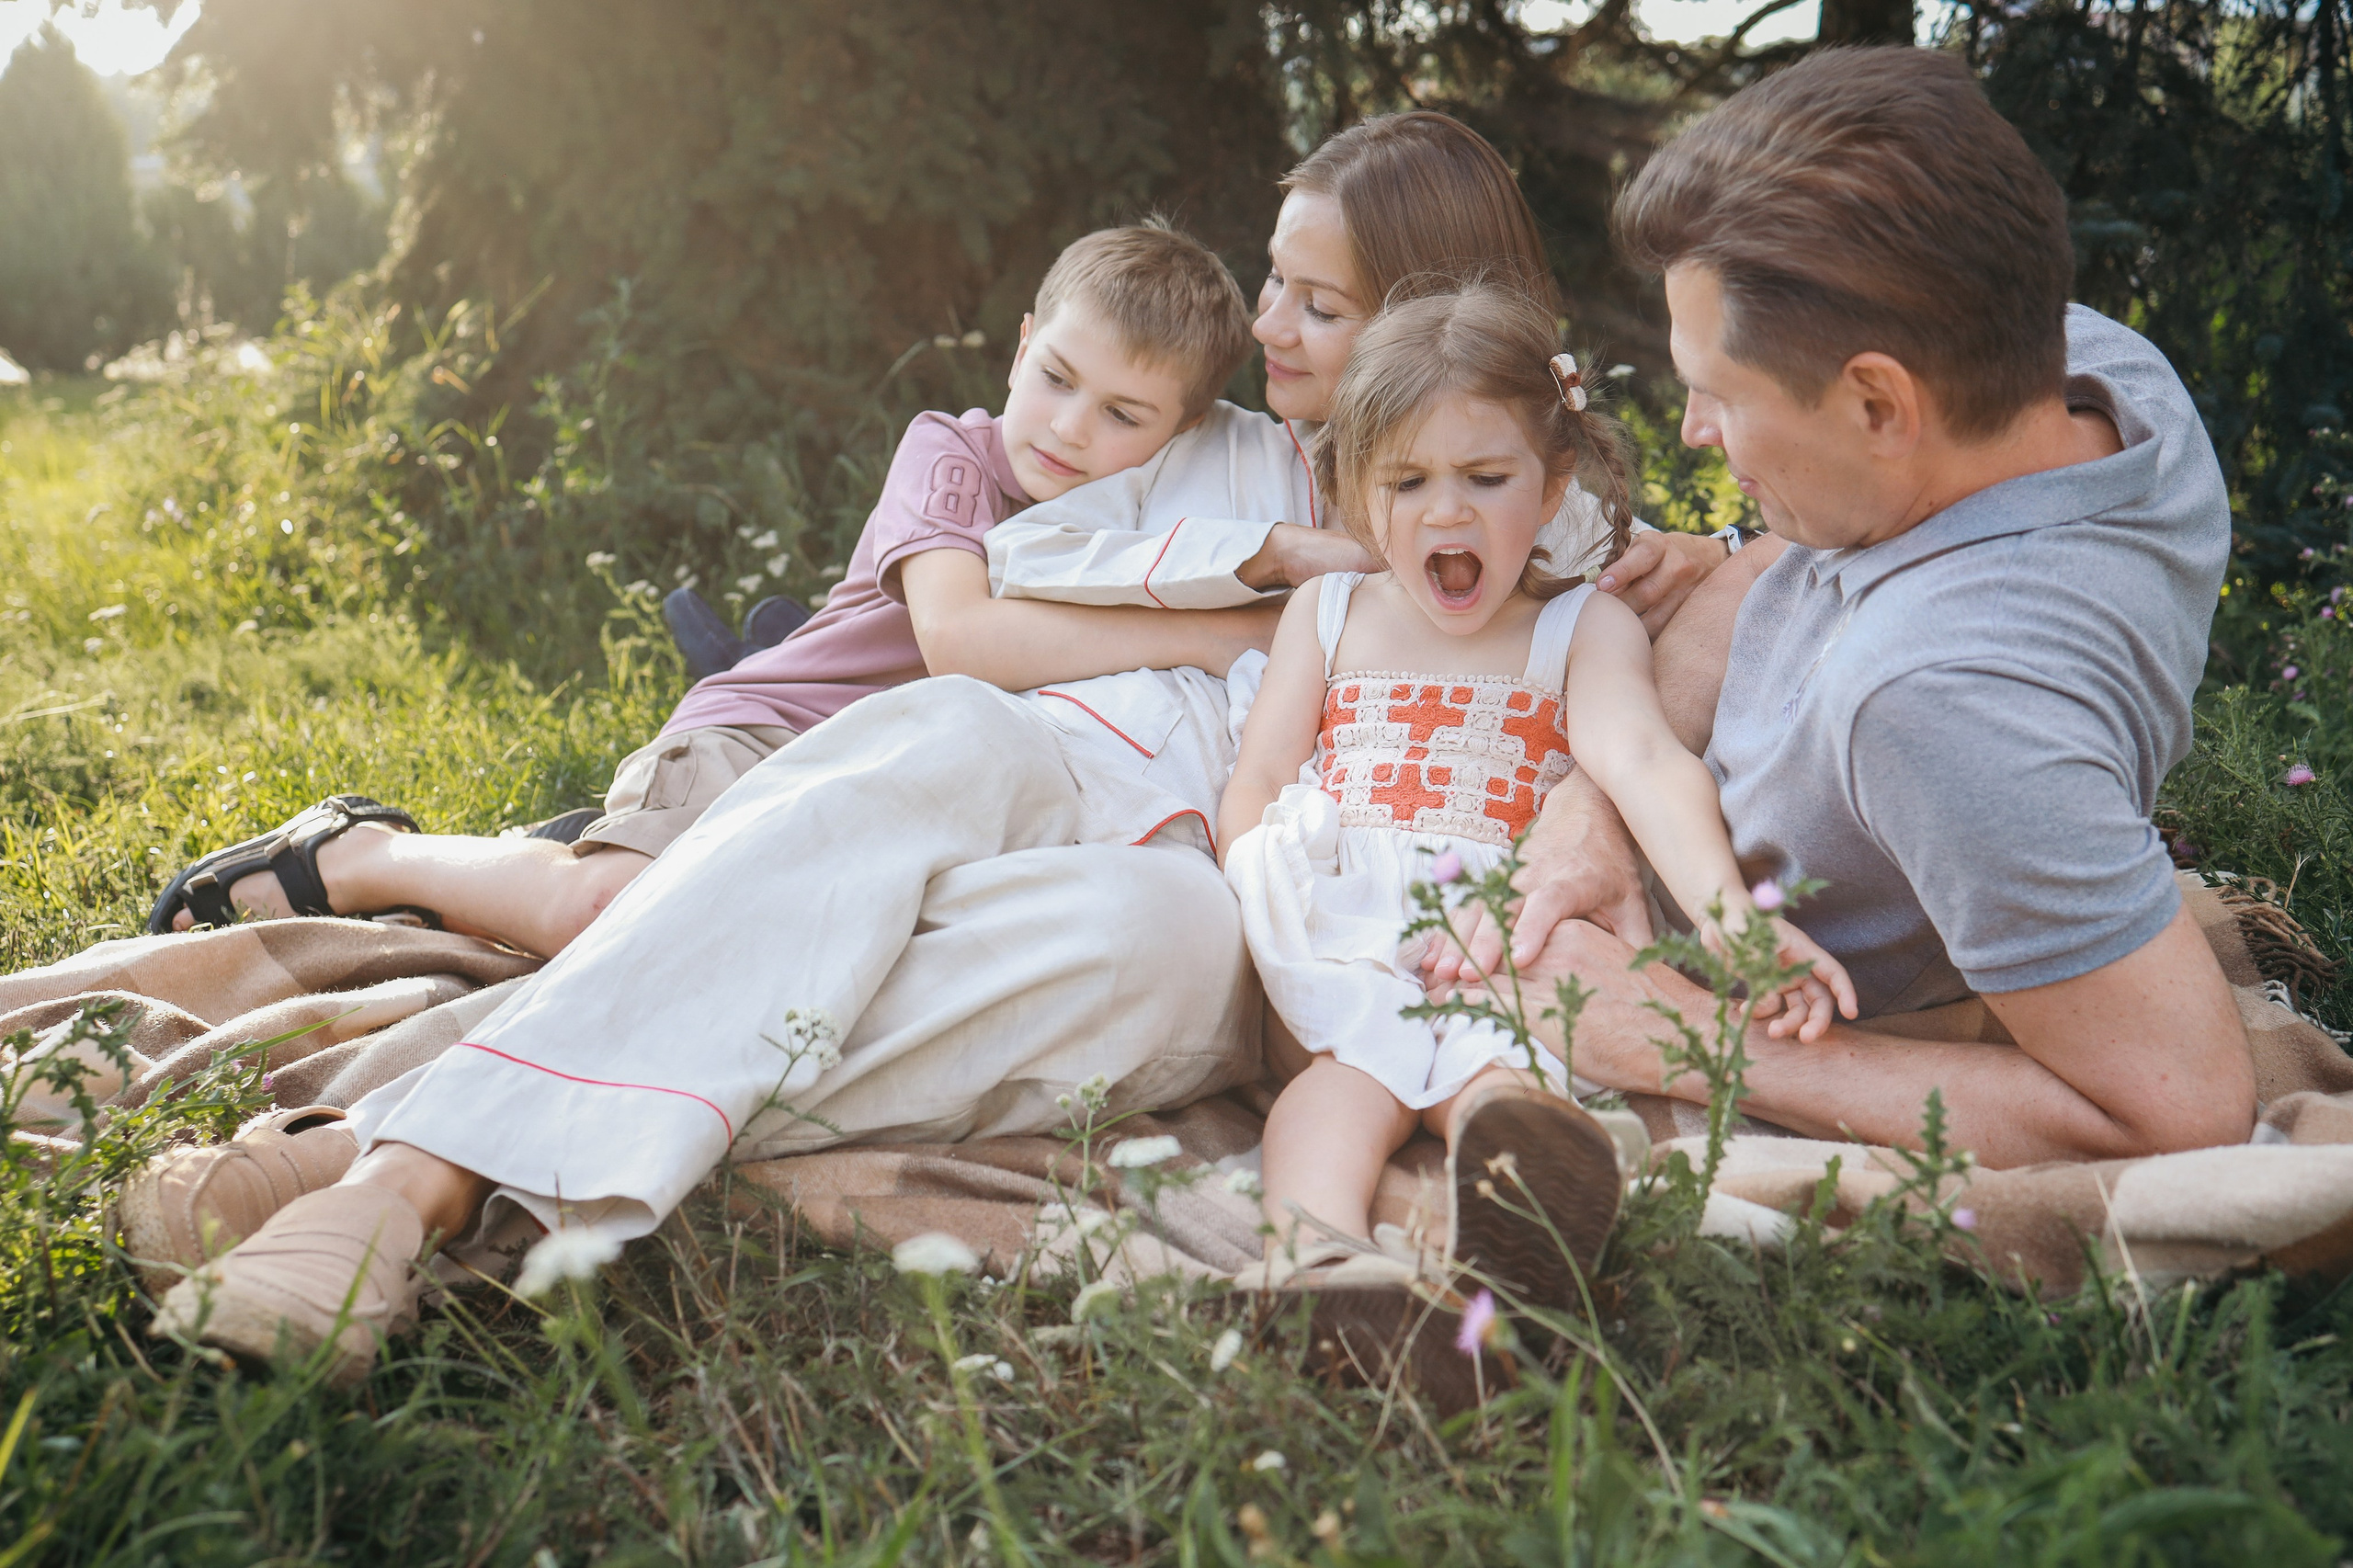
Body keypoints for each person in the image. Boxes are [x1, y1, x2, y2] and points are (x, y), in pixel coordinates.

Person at [148, 112, 1730, 1385]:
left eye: (1320, 306)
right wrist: (1252, 575)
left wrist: (1666, 580)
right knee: (940, 738)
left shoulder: (1530, 518)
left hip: (1207, 890)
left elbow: (1719, 591)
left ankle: (387, 1135)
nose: (1270, 328)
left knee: (1149, 933)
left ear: (1435, 329)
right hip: (1049, 746)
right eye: (1277, 285)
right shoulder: (1216, 453)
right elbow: (1021, 570)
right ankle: (395, 1195)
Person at [1425, 47, 2257, 1171]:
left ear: (1877, 403)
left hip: (1647, 946)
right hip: (1609, 782)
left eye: (1717, 394)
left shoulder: (1943, 704)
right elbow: (1795, 554)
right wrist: (1599, 807)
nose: (1691, 434)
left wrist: (1663, 1028)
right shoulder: (2082, 368)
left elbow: (2183, 1110)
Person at [148, 221, 1280, 958]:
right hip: (769, 736)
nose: (1071, 430)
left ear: (1181, 433)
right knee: (611, 927)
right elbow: (960, 639)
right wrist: (1221, 633)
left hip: (883, 801)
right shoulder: (956, 452)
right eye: (1057, 379)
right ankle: (361, 854)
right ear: (1022, 344)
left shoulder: (1156, 522)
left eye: (1123, 415)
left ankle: (578, 843)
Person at [1220, 284, 1853, 1281]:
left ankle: (1519, 1239)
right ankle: (1314, 1271)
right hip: (1345, 921)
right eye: (1407, 481)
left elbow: (1644, 761)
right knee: (1339, 1090)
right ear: (1353, 490)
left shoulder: (1578, 628)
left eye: (1484, 475)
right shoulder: (1327, 612)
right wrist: (1263, 903)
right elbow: (1258, 774)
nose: (1446, 510)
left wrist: (1735, 917)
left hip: (1501, 934)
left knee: (1502, 1087)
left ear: (1553, 483)